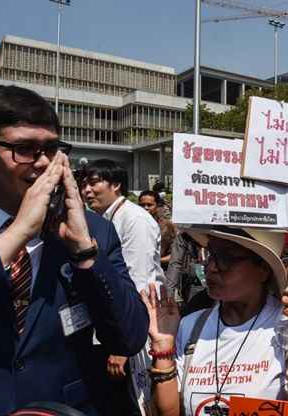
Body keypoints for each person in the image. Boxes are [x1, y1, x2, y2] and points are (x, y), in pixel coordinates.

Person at [0, 85, 148, 415]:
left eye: (51, 148)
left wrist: (85, 253)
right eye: (25, 149)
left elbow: (130, 336)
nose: (43, 163)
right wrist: (17, 234)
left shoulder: (93, 230)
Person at [140, 226, 288, 416]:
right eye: (211, 254)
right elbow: (168, 413)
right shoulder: (191, 326)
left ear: (263, 269)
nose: (212, 267)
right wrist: (163, 344)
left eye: (226, 258)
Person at [80, 159, 163, 415]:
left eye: (94, 183)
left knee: (139, 401)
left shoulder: (134, 219)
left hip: (138, 328)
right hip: (119, 328)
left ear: (116, 185)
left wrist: (124, 345)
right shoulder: (106, 219)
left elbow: (138, 279)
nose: (86, 191)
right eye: (83, 184)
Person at [138, 190, 176, 268]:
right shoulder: (132, 224)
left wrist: (156, 260)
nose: (145, 208)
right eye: (142, 205)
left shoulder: (167, 226)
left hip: (161, 271)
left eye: (149, 205)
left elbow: (176, 255)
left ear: (157, 205)